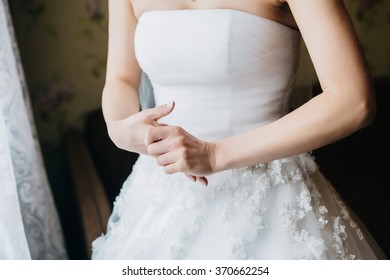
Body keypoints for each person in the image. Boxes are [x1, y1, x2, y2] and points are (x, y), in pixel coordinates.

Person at [91, 0, 386, 259]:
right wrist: (118, 128)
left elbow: (354, 100)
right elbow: (120, 79)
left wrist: (215, 154)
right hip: (159, 192)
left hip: (270, 195)